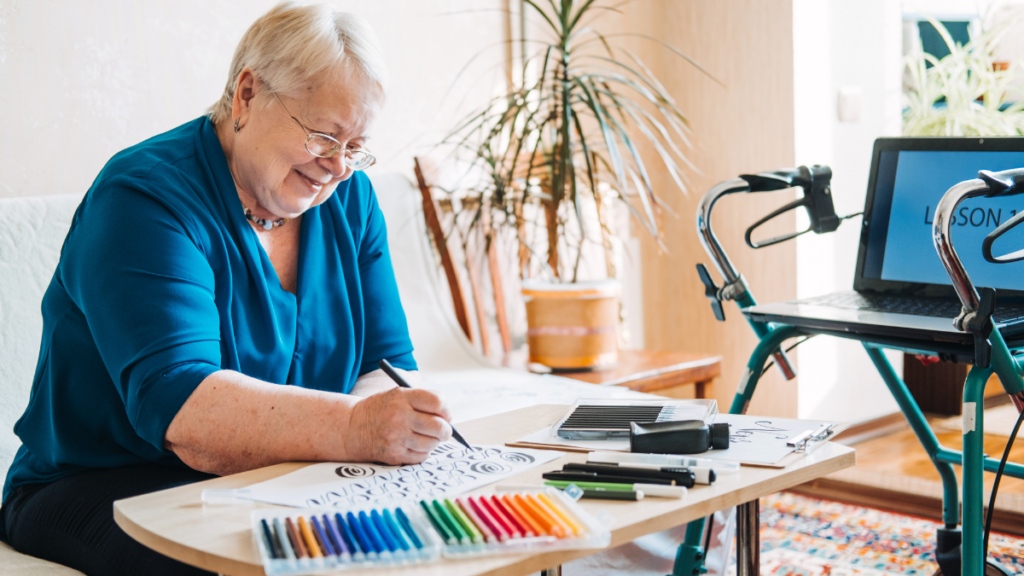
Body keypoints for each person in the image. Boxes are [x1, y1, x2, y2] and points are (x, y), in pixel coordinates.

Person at [0, 3, 453, 574]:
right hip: (106, 483)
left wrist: (382, 447)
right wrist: (357, 431)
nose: (339, 167)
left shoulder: (350, 202)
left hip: (281, 480)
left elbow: (386, 368)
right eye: (322, 137)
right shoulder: (145, 198)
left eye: (356, 146)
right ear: (246, 96)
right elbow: (186, 414)